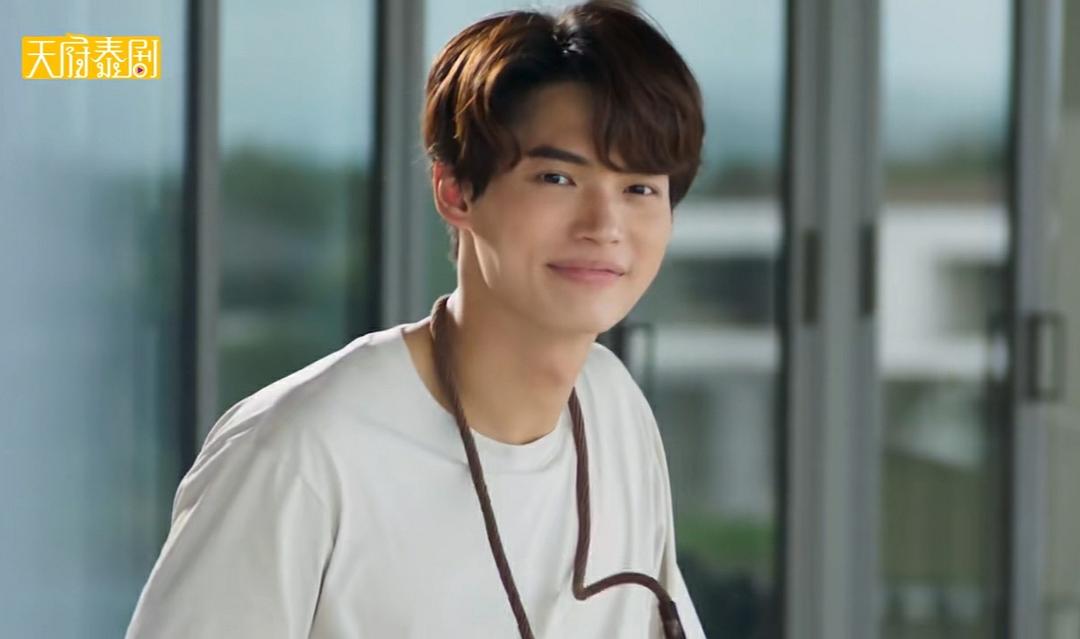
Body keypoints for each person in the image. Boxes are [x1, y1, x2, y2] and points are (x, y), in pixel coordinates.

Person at [125, 1, 707, 637]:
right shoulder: (301, 451)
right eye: (556, 178)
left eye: (640, 189)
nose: (604, 226)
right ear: (455, 191)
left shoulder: (613, 408)